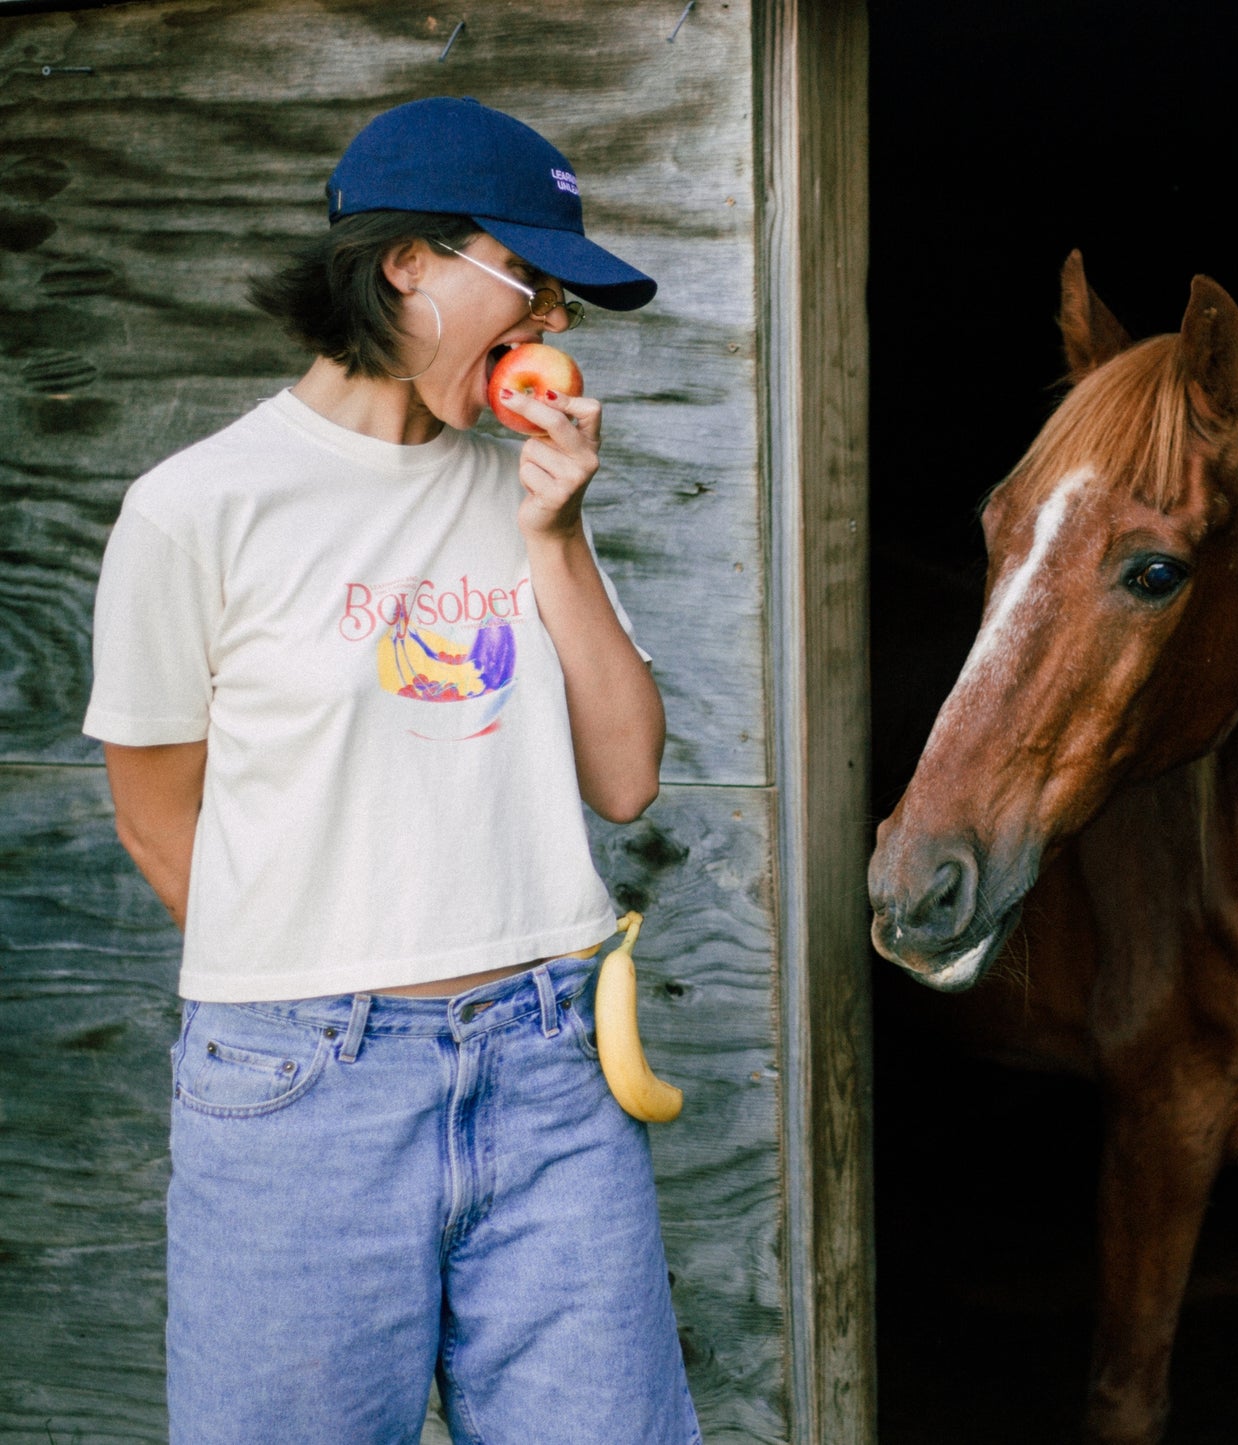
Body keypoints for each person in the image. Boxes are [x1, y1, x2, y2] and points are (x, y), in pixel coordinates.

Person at [83, 96, 700, 1445]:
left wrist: (555, 533)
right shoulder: (195, 509)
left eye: (557, 298)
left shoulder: (519, 485)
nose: (545, 321)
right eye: (524, 277)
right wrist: (324, 988)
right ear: (405, 264)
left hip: (552, 1076)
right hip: (302, 1090)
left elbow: (626, 776)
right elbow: (153, 818)